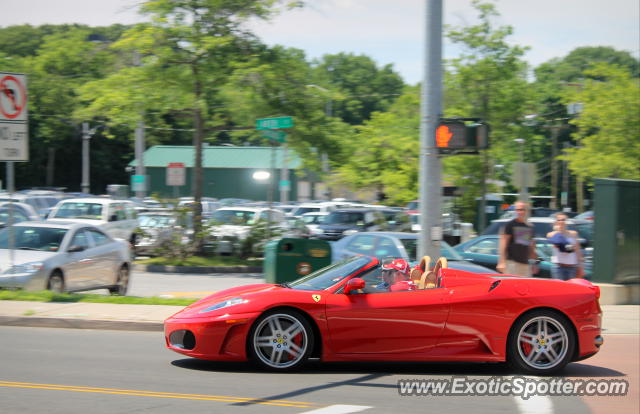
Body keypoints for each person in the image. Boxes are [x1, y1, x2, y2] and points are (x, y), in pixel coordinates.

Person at [497, 201, 538, 276]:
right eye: (518, 210)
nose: (520, 212)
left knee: (525, 287)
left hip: (525, 264)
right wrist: (501, 261)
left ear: (526, 211)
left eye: (522, 210)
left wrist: (534, 263)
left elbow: (531, 248)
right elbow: (503, 244)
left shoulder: (529, 227)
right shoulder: (510, 225)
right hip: (511, 263)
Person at [547, 213, 584, 280]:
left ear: (566, 222)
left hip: (572, 267)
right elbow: (559, 244)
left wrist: (580, 266)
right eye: (559, 220)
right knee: (559, 288)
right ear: (556, 222)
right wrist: (558, 230)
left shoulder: (573, 233)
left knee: (570, 289)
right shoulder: (551, 234)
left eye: (563, 220)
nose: (561, 221)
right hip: (558, 267)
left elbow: (578, 251)